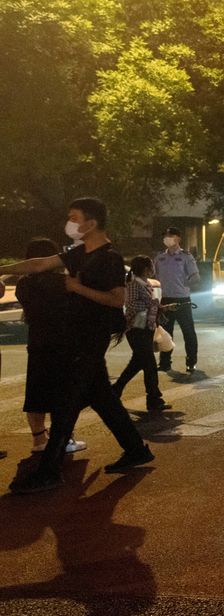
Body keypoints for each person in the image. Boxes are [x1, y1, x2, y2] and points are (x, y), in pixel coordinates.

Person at [3, 197, 154, 494]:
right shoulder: (80, 253)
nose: (70, 223)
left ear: (91, 222)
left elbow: (117, 299)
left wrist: (77, 288)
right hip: (78, 337)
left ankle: (48, 470)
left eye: (74, 217)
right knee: (102, 397)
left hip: (91, 338)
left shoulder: (109, 258)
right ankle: (136, 449)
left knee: (67, 403)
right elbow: (41, 264)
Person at [15, 238, 86, 456]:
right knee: (62, 393)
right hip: (62, 342)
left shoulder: (23, 284)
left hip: (36, 341)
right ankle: (65, 438)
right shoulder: (62, 282)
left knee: (36, 393)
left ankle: (39, 439)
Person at [111, 256, 169, 411]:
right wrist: (153, 305)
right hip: (136, 328)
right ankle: (154, 399)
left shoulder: (145, 283)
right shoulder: (133, 284)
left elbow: (149, 304)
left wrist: (162, 307)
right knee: (149, 364)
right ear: (145, 268)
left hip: (146, 327)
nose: (153, 268)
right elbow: (131, 305)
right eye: (151, 265)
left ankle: (115, 390)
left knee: (137, 363)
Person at [153, 227, 200, 375]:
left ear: (178, 238)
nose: (167, 238)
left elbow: (196, 277)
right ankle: (165, 363)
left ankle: (191, 362)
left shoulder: (186, 257)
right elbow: (154, 278)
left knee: (188, 332)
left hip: (182, 300)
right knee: (165, 332)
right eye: (165, 236)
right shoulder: (159, 258)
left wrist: (184, 285)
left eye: (170, 235)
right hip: (166, 299)